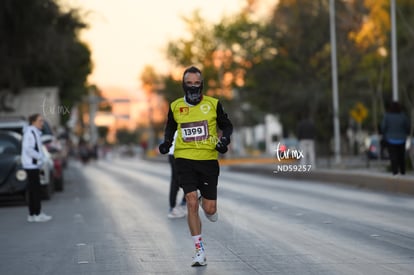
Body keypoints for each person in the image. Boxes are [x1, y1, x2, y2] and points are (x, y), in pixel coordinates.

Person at [158, 66, 233, 266]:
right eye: (189, 83)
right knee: (190, 202)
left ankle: (204, 201)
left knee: (209, 209)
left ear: (202, 84)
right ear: (184, 85)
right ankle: (199, 251)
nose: (193, 86)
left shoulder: (213, 104)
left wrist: (224, 140)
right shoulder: (175, 106)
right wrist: (166, 143)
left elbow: (227, 125)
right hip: (184, 158)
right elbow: (170, 127)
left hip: (208, 160)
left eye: (196, 83)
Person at [22, 114, 52, 222]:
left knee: (34, 190)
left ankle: (34, 214)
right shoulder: (30, 133)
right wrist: (40, 157)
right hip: (31, 166)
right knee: (34, 190)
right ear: (33, 121)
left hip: (33, 165)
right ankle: (36, 214)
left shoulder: (34, 132)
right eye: (40, 121)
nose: (42, 123)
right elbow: (28, 149)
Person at [381, 101, 410, 175]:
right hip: (402, 139)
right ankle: (403, 171)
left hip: (390, 139)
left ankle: (395, 171)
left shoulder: (387, 116)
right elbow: (407, 127)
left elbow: (383, 127)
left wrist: (385, 134)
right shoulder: (403, 116)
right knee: (401, 156)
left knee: (393, 156)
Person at [167, 131, 186, 219]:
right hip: (178, 153)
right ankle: (174, 207)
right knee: (177, 180)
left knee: (177, 180)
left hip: (174, 152)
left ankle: (179, 205)